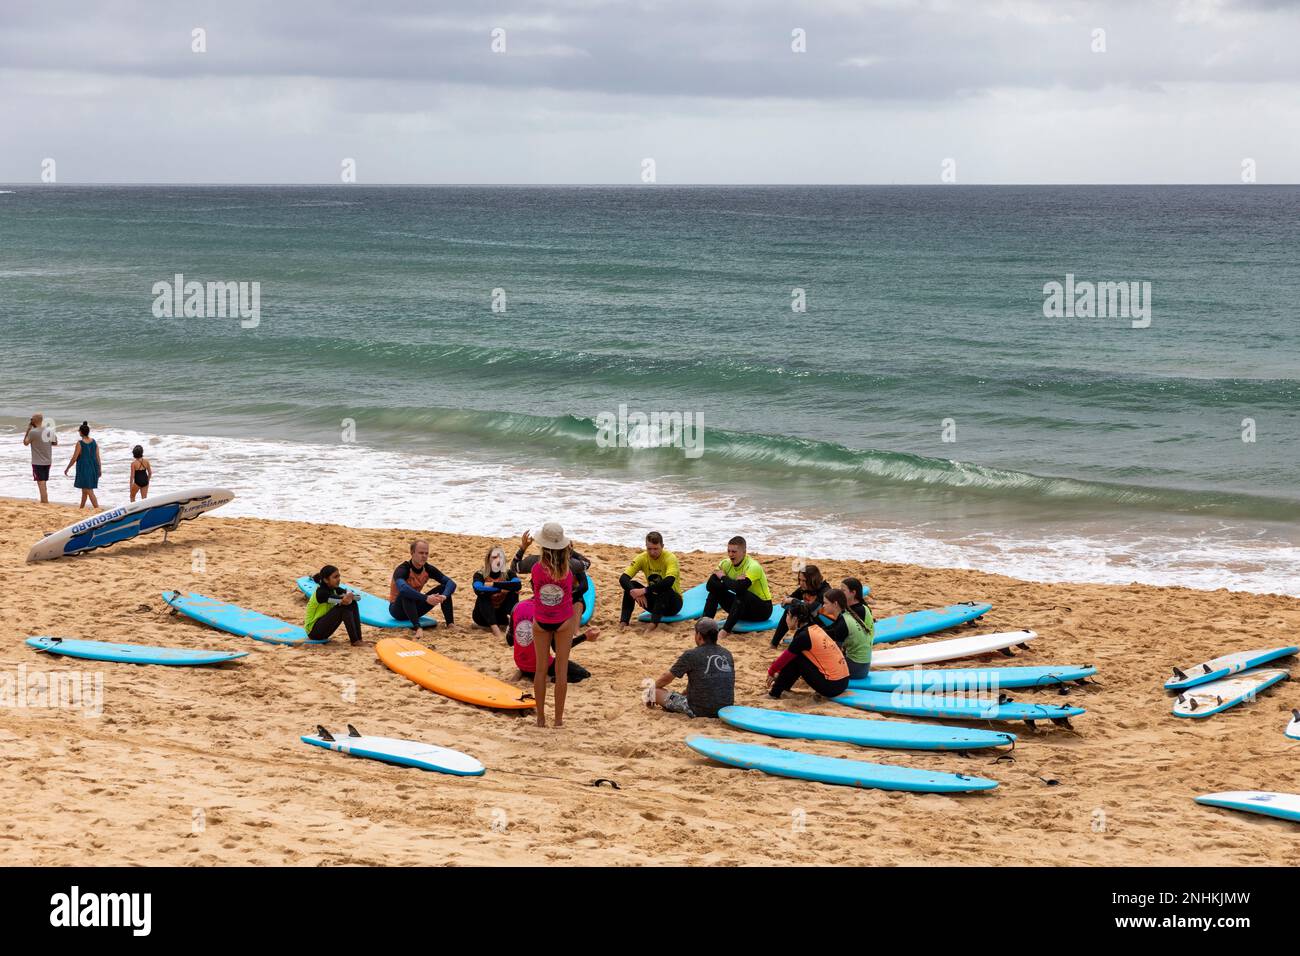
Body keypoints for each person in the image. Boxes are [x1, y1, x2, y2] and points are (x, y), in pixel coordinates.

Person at [524, 522, 580, 728]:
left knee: (540, 670)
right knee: (561, 670)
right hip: (563, 622)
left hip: (541, 621)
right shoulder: (569, 569)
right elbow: (581, 566)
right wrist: (570, 550)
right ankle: (558, 720)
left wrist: (522, 547)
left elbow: (517, 567)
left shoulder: (536, 568)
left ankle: (540, 718)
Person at [647, 618, 735, 718]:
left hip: (699, 711)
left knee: (655, 692)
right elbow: (707, 680)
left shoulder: (691, 654)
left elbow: (666, 678)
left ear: (699, 636)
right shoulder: (727, 654)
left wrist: (650, 692)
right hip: (725, 709)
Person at [507, 597, 598, 683]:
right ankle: (549, 679)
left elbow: (510, 641)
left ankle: (524, 672)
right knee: (583, 675)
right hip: (539, 664)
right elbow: (558, 648)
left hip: (520, 662)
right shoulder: (550, 613)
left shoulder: (517, 606)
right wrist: (585, 637)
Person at [510, 529, 591, 623]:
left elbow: (514, 567)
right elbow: (587, 563)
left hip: (541, 610)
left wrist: (523, 548)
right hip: (563, 611)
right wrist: (570, 551)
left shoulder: (533, 561)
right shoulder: (569, 564)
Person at [701, 536, 773, 638]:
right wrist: (733, 584)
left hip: (762, 610)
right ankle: (705, 625)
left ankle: (725, 631)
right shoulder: (725, 564)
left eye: (734, 552)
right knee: (715, 592)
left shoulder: (753, 566)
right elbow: (710, 586)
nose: (730, 555)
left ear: (744, 552)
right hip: (741, 609)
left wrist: (724, 578)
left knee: (742, 593)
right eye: (729, 551)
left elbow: (739, 589)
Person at [388, 540, 456, 639]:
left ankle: (450, 624)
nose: (424, 556)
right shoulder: (403, 569)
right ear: (412, 553)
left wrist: (444, 596)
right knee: (407, 592)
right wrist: (426, 598)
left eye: (426, 553)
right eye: (421, 553)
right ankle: (417, 628)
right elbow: (403, 589)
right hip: (397, 610)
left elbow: (451, 583)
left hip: (414, 608)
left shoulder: (428, 568)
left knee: (443, 588)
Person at [766, 619, 849, 700]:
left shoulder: (804, 636)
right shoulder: (815, 629)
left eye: (787, 615)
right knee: (798, 656)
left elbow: (785, 657)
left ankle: (774, 693)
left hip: (832, 687)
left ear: (795, 618)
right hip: (844, 681)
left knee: (797, 657)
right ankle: (784, 687)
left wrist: (772, 671)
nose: (786, 619)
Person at [619, 531, 683, 629]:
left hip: (673, 604)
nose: (652, 552)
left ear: (662, 546)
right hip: (654, 603)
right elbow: (623, 578)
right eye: (649, 549)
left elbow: (668, 582)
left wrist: (643, 591)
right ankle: (624, 621)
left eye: (656, 549)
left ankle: (653, 624)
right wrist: (634, 593)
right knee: (631, 585)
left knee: (664, 589)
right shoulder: (642, 558)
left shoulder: (670, 558)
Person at [770, 564, 829, 648]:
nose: (801, 583)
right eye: (799, 580)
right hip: (811, 619)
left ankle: (799, 640)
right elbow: (786, 601)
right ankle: (774, 643)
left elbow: (811, 609)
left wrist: (793, 601)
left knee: (796, 609)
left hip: (823, 626)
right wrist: (791, 602)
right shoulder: (804, 588)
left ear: (813, 580)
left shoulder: (824, 592)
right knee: (790, 610)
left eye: (804, 581)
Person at [304, 565, 365, 645]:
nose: (338, 579)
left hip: (325, 630)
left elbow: (358, 598)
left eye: (339, 576)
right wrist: (347, 596)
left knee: (353, 603)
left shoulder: (334, 589)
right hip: (314, 632)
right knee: (344, 607)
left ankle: (359, 638)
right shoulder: (321, 593)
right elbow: (345, 601)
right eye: (335, 577)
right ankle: (354, 641)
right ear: (326, 580)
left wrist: (350, 596)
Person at [819, 588, 873, 678]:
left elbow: (835, 653)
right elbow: (831, 630)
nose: (823, 606)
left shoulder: (843, 623)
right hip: (863, 665)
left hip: (858, 669)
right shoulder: (847, 615)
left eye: (825, 603)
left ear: (835, 604)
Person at [472, 546, 522, 638]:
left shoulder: (509, 573)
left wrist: (494, 585)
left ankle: (512, 623)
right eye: (494, 557)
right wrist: (501, 589)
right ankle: (495, 629)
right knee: (483, 594)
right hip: (482, 617)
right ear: (488, 559)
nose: (497, 560)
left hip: (503, 617)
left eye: (500, 557)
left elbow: (518, 584)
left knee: (513, 592)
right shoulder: (480, 574)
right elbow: (478, 588)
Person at [63, 421, 101, 510]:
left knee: (89, 490)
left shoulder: (80, 443)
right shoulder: (94, 442)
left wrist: (67, 468)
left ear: (81, 432)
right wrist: (99, 469)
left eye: (79, 431)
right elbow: (97, 456)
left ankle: (97, 509)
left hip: (84, 468)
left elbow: (74, 458)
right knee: (85, 490)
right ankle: (81, 508)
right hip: (93, 467)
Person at [23, 413, 57, 503]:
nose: (31, 421)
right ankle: (44, 500)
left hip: (37, 461)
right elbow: (55, 443)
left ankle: (45, 502)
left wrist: (28, 430)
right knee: (43, 481)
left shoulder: (33, 432)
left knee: (40, 482)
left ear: (34, 420)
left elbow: (25, 443)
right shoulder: (49, 430)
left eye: (31, 419)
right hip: (48, 460)